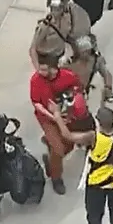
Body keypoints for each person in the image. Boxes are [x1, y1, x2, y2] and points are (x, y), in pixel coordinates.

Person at [49, 104, 113, 224]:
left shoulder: (93, 137)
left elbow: (68, 135)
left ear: (98, 123)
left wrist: (57, 115)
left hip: (96, 186)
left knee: (94, 219)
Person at [29, 55, 82, 195]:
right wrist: (54, 116)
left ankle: (51, 156)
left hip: (66, 116)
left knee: (69, 145)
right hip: (47, 118)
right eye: (40, 69)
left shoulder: (68, 76)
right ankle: (56, 178)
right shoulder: (36, 80)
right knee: (58, 149)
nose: (41, 73)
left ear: (54, 68)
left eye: (44, 70)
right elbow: (37, 104)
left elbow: (78, 91)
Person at [29, 0, 91, 70]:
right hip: (46, 59)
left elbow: (69, 36)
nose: (56, 11)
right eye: (54, 8)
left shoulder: (67, 20)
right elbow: (33, 49)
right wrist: (38, 69)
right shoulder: (45, 26)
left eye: (59, 8)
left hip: (59, 58)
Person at [62, 34, 113, 101]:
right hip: (68, 93)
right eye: (82, 51)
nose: (85, 53)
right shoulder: (70, 61)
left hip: (82, 93)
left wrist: (108, 87)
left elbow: (106, 74)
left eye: (87, 51)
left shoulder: (96, 60)